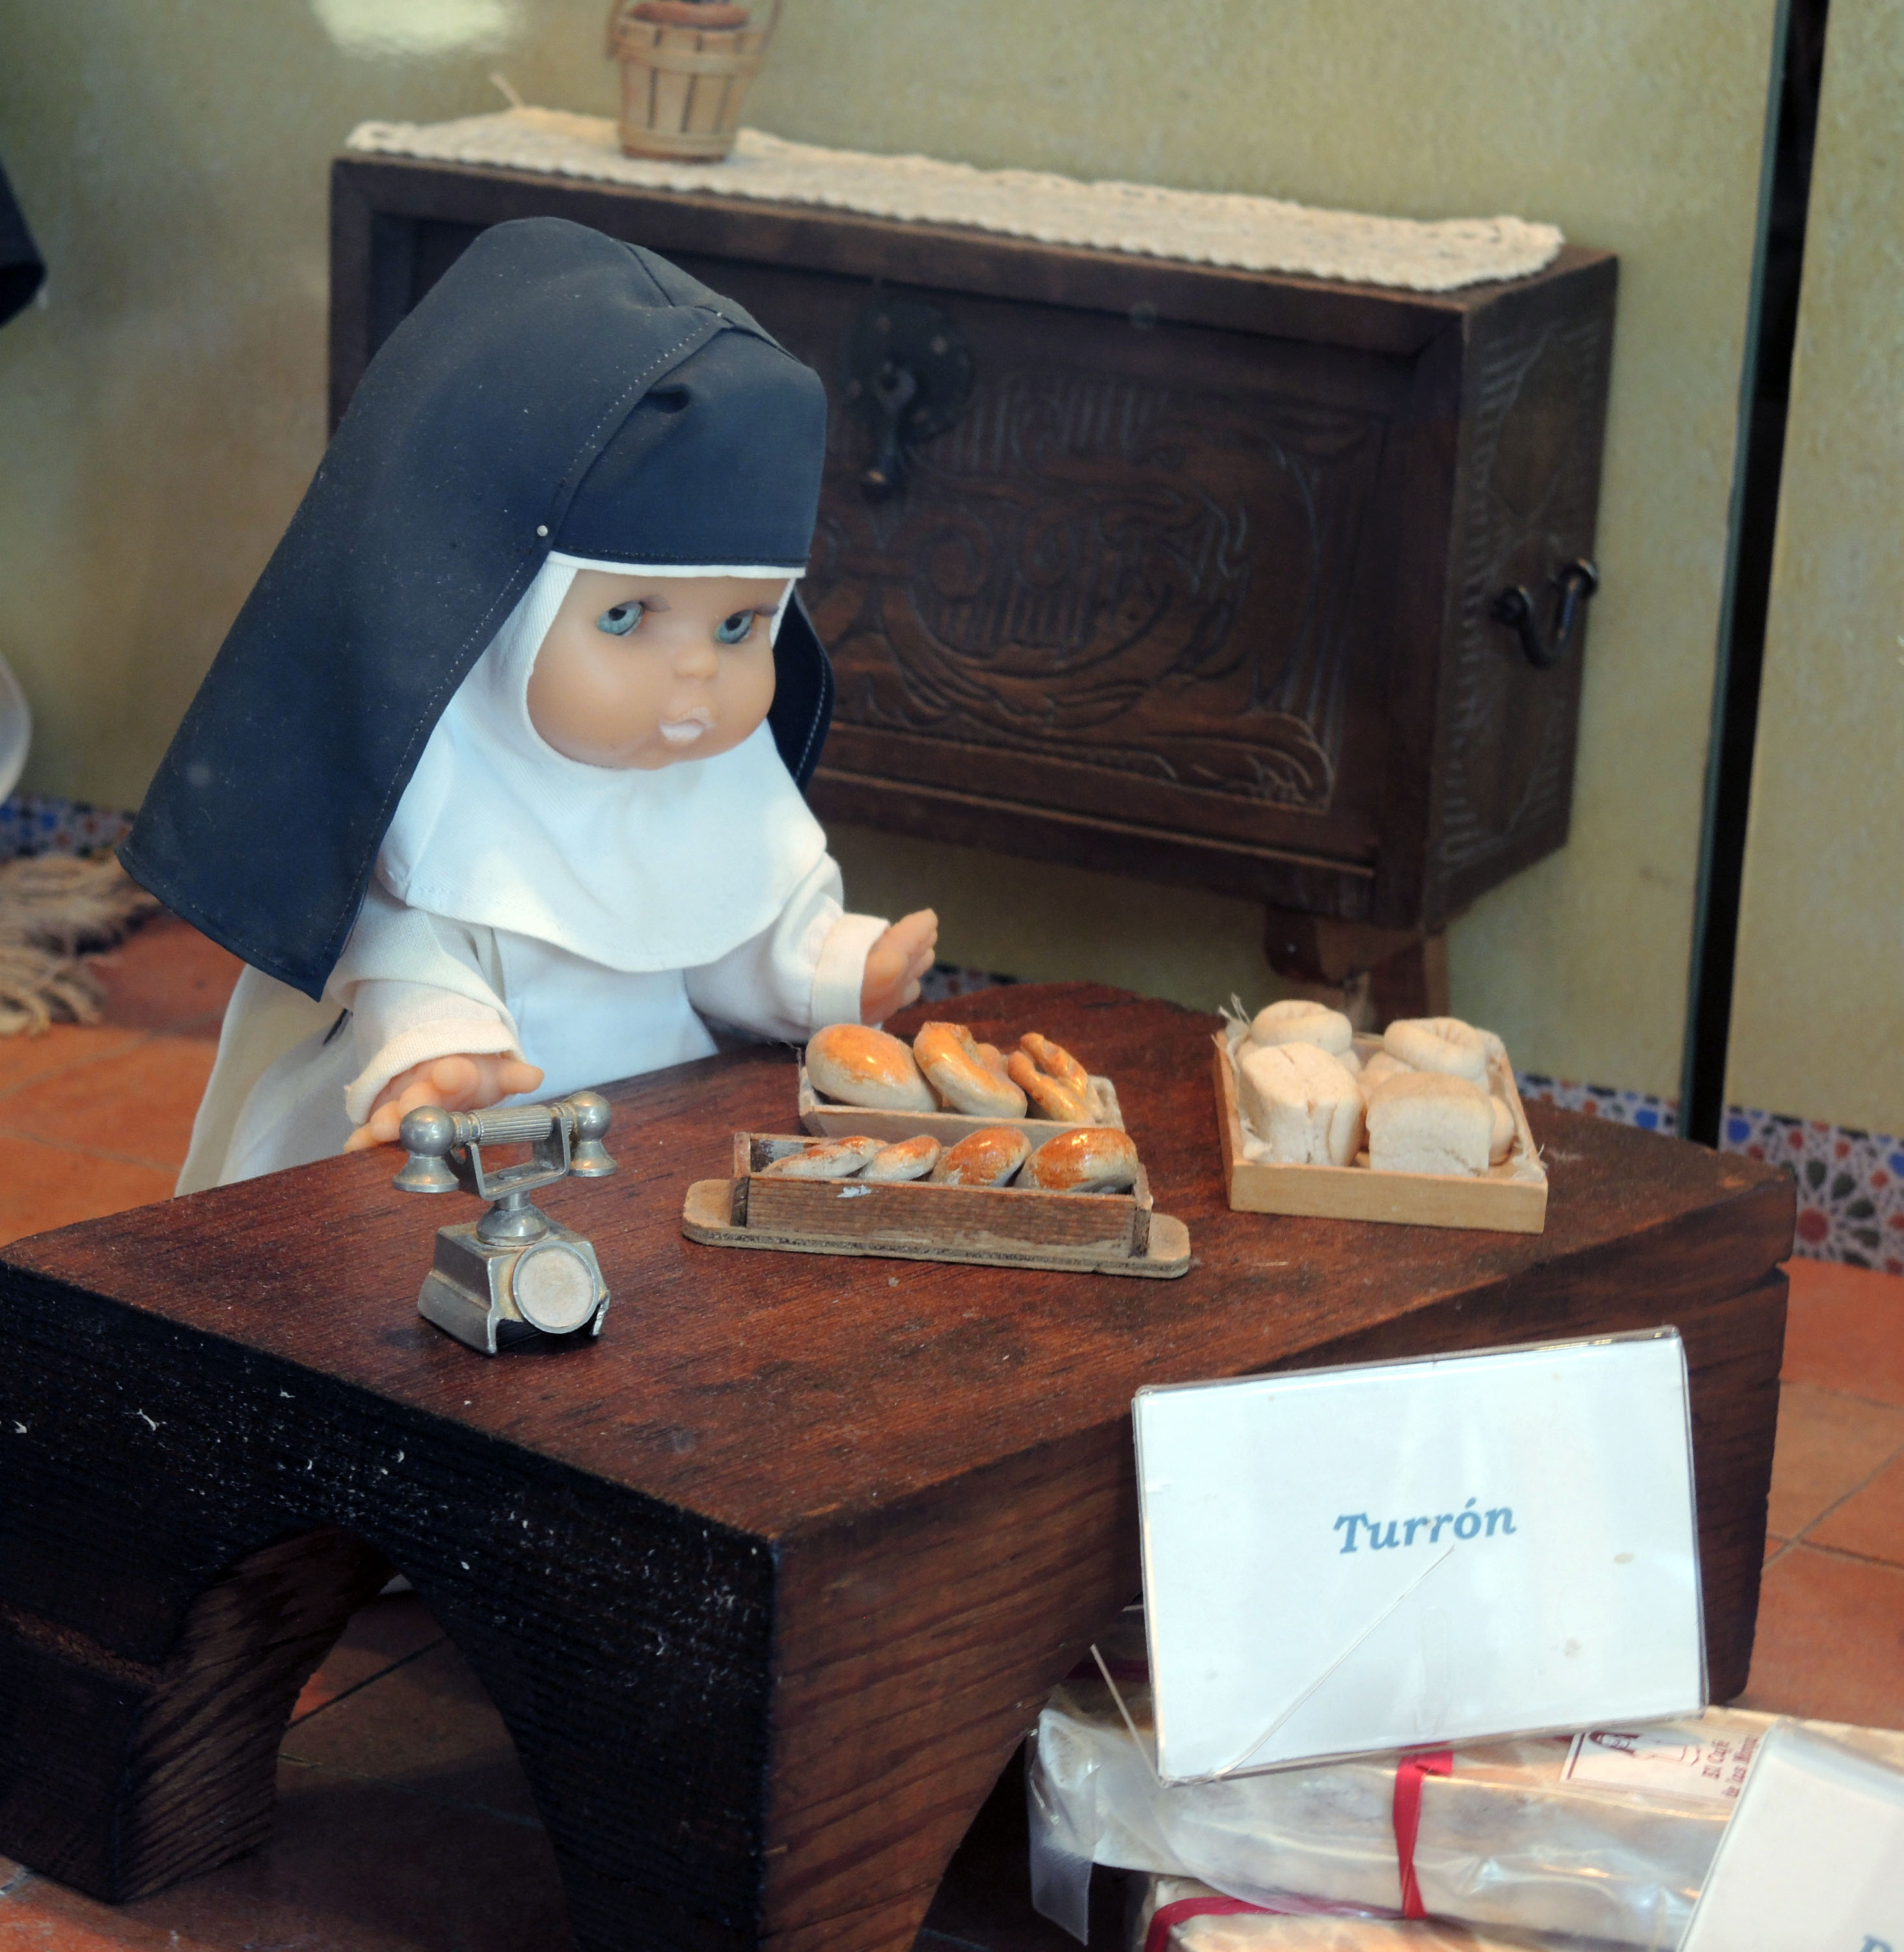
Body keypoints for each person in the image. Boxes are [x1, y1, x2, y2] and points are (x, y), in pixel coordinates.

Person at [121, 217, 934, 1191]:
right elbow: (402, 959)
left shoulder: (713, 778)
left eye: (739, 628)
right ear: (502, 615)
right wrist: (444, 1053)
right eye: (630, 616)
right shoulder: (428, 795)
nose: (697, 678)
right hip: (443, 1145)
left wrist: (835, 970)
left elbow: (723, 933)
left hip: (646, 1131)